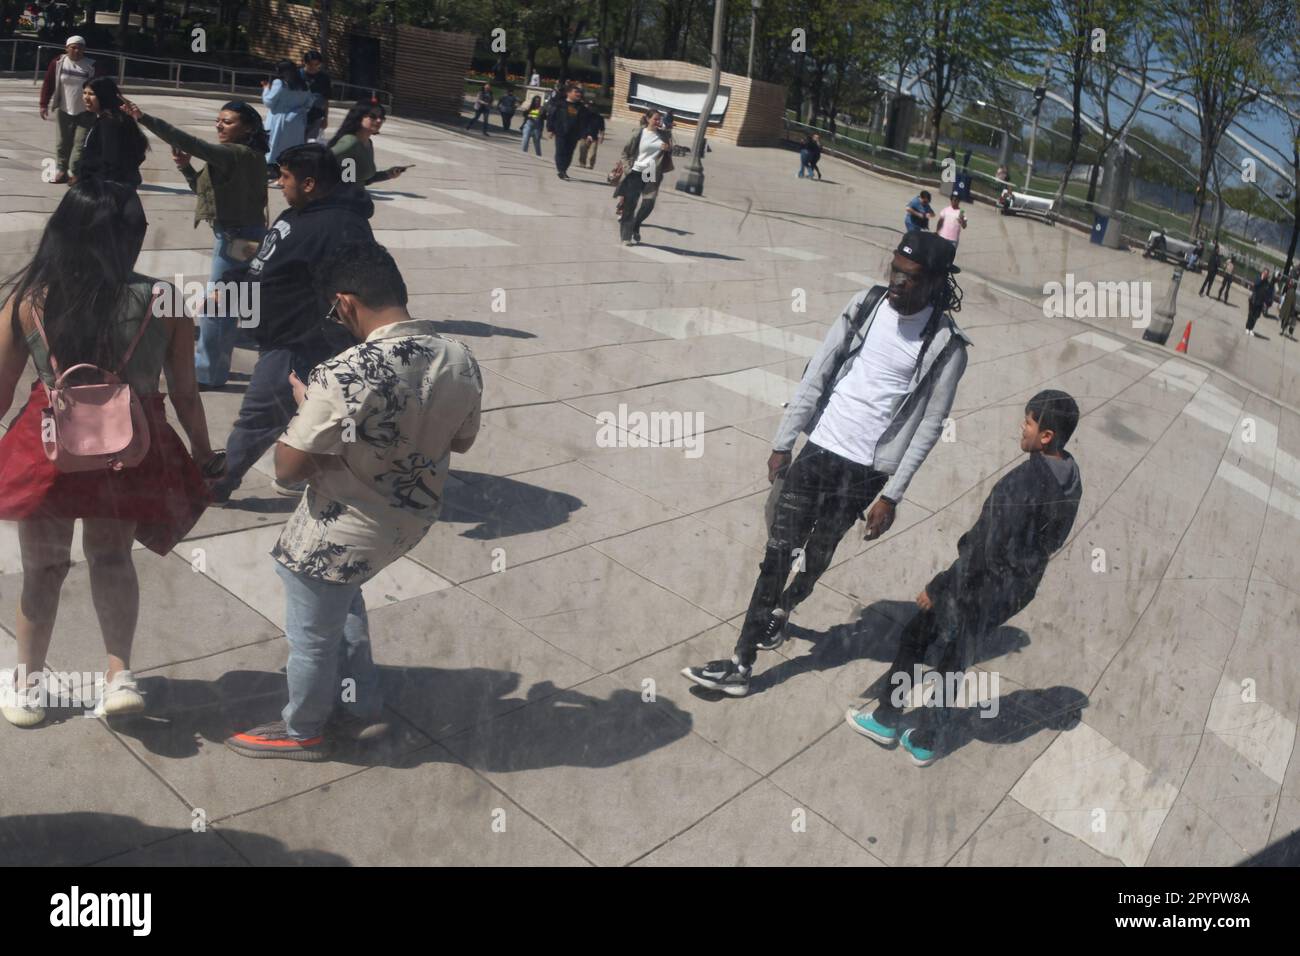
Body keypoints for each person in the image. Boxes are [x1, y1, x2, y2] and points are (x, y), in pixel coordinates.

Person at [682, 232, 972, 697]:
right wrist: (784, 439)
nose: (897, 282)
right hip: (820, 448)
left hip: (866, 470)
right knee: (777, 552)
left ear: (936, 282)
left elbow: (929, 427)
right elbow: (819, 369)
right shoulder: (866, 305)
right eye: (894, 269)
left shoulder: (947, 347)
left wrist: (891, 495)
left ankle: (786, 607)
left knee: (819, 552)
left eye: (910, 277)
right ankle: (741, 662)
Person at [225, 241, 483, 760]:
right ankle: (360, 698)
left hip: (340, 530)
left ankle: (304, 730)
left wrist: (310, 408)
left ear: (344, 303)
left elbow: (288, 469)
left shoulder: (345, 372)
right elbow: (460, 441)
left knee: (310, 634)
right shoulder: (462, 358)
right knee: (344, 598)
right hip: (409, 519)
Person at [0, 181, 219, 728]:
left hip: (48, 447)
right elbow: (187, 392)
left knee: (43, 568)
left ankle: (28, 685)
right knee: (113, 557)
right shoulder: (165, 299)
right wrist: (202, 449)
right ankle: (119, 676)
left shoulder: (29, 300)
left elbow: (0, 390)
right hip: (129, 445)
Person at [846, 391, 1082, 766]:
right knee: (956, 658)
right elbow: (1050, 541)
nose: (1022, 427)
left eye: (1029, 421)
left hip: (978, 586)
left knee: (913, 637)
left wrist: (939, 587)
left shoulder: (1024, 483)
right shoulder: (1071, 479)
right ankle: (925, 740)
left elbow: (983, 551)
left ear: (1047, 436)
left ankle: (885, 719)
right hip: (1015, 591)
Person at [209, 145, 375, 504]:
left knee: (259, 415)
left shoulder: (343, 226)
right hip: (278, 332)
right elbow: (271, 262)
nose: (279, 184)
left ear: (310, 183)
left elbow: (358, 287)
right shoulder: (297, 213)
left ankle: (220, 483)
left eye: (285, 177)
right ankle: (302, 470)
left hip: (301, 341)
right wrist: (237, 281)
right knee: (295, 413)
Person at [123, 97, 270, 390]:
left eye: (227, 121)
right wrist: (186, 168)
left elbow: (187, 140)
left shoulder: (236, 153)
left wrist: (144, 118)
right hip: (237, 237)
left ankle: (207, 374)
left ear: (247, 129)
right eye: (218, 119)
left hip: (238, 239)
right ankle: (212, 367)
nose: (219, 125)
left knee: (218, 307)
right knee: (226, 303)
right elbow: (204, 192)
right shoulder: (240, 155)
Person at [73, 77, 149, 264]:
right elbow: (138, 154)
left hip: (105, 196)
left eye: (91, 94)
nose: (86, 98)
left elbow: (111, 163)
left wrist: (93, 184)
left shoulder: (110, 123)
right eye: (84, 93)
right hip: (115, 191)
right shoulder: (114, 118)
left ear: (104, 96)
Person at [37, 36, 103, 184]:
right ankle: (61, 170)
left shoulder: (91, 65)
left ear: (84, 49)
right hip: (64, 109)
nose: (76, 50)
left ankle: (74, 172)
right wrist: (43, 104)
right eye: (73, 47)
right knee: (62, 143)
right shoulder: (59, 62)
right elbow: (48, 83)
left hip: (86, 112)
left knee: (80, 144)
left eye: (80, 47)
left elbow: (102, 87)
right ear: (66, 48)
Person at [613, 109, 673, 246]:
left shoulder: (664, 135)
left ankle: (636, 223)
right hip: (635, 170)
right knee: (630, 205)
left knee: (649, 203)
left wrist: (668, 149)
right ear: (647, 119)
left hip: (651, 171)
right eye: (655, 119)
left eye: (660, 119)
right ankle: (626, 237)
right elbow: (625, 153)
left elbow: (669, 152)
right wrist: (628, 169)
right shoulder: (638, 133)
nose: (658, 122)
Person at [327, 101, 408, 199]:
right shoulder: (350, 142)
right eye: (373, 116)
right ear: (359, 117)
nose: (378, 120)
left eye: (382, 117)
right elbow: (320, 160)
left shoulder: (368, 143)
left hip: (351, 200)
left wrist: (388, 174)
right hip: (337, 201)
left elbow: (361, 179)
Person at [261, 60, 314, 176]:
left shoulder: (280, 83)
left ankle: (272, 169)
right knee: (293, 145)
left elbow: (269, 101)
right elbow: (309, 102)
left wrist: (266, 89)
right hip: (297, 120)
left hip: (279, 118)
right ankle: (289, 169)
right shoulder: (304, 84)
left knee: (274, 144)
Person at [546, 84, 590, 180]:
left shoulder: (581, 107)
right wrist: (550, 129)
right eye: (576, 92)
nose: (578, 94)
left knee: (569, 153)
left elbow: (585, 121)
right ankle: (561, 170)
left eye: (579, 92)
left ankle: (564, 170)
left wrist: (585, 134)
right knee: (560, 151)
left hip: (574, 134)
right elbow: (551, 117)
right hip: (561, 132)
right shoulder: (560, 104)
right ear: (568, 93)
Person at [301, 50, 333, 143]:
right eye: (310, 64)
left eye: (316, 65)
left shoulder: (324, 78)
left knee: (311, 143)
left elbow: (326, 100)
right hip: (299, 116)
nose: (313, 67)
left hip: (316, 116)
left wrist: (325, 118)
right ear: (304, 62)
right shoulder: (298, 75)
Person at [578, 99, 605, 169]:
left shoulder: (599, 118)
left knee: (592, 153)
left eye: (593, 106)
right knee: (583, 151)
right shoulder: (584, 116)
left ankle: (590, 165)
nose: (591, 108)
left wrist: (602, 136)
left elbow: (602, 128)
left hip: (594, 137)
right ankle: (582, 163)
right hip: (584, 136)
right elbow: (581, 126)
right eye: (590, 106)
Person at [1246, 268, 1271, 336]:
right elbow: (1255, 285)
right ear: (1263, 273)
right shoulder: (1258, 278)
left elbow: (1267, 293)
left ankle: (1251, 329)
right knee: (1251, 314)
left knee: (1256, 316)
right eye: (1265, 273)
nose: (1266, 275)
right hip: (1254, 299)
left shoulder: (1267, 283)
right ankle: (1247, 328)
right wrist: (1261, 279)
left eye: (1267, 274)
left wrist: (1266, 302)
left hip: (1260, 302)